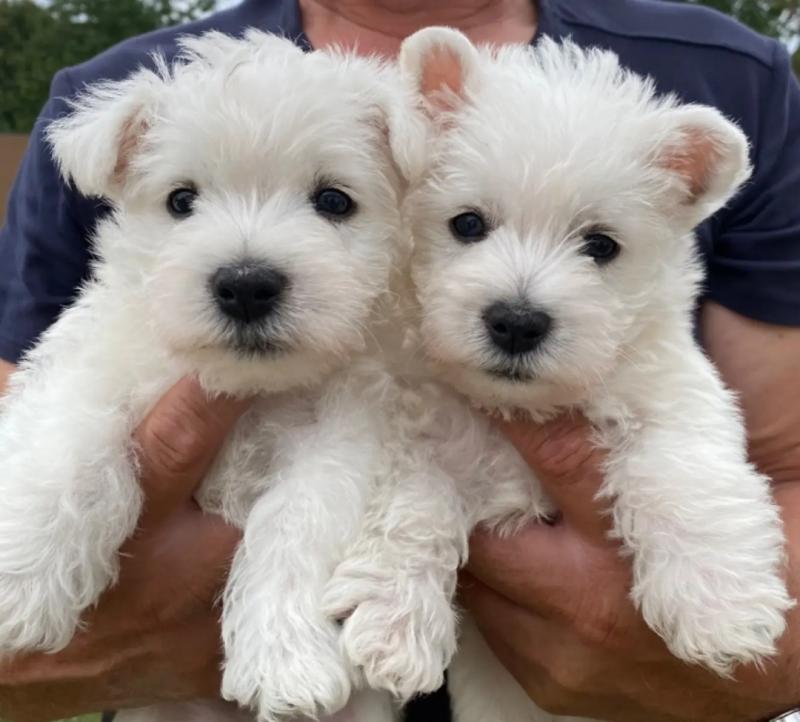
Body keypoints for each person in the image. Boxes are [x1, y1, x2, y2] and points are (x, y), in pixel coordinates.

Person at [0, 0, 799, 720]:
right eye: (470, 226)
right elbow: (35, 404)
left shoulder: (738, 76)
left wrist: (765, 663)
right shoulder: (114, 89)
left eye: (331, 202)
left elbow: (779, 459)